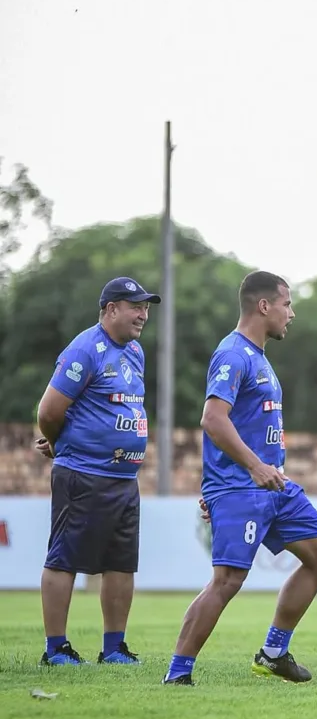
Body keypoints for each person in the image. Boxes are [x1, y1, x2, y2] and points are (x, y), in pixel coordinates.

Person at [163, 270, 317, 686]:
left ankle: (273, 653)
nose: (291, 313)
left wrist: (268, 467)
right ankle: (178, 673)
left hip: (275, 486)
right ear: (264, 306)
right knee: (227, 582)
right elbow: (212, 419)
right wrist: (247, 471)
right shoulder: (233, 354)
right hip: (245, 487)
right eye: (286, 304)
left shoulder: (259, 357)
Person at [35, 276, 161, 666]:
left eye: (146, 307)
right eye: (135, 306)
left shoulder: (135, 352)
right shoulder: (85, 349)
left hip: (124, 478)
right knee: (64, 559)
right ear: (110, 310)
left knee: (121, 562)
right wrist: (60, 444)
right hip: (83, 474)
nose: (143, 314)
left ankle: (114, 648)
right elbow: (49, 411)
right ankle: (56, 648)